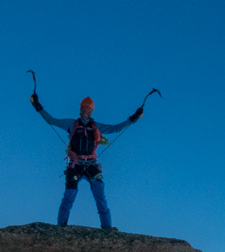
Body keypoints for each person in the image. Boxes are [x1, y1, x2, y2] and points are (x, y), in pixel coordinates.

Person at [30, 93, 144, 229]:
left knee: (100, 195)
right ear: (80, 110)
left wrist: (133, 118)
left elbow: (115, 129)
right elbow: (52, 121)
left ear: (91, 111)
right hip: (75, 164)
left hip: (91, 164)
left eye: (89, 110)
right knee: (69, 195)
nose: (86, 112)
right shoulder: (71, 124)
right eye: (84, 109)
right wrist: (38, 106)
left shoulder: (97, 126)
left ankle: (107, 229)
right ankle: (61, 228)